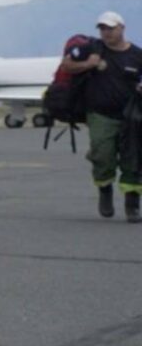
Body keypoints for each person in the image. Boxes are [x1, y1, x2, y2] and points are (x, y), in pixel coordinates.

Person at [60, 12, 142, 221]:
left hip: (131, 117)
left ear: (122, 28)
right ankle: (105, 190)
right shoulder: (93, 48)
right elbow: (66, 65)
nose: (106, 33)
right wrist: (89, 64)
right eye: (102, 28)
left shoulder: (137, 55)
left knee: (133, 159)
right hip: (101, 115)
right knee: (103, 156)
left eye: (110, 28)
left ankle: (132, 206)